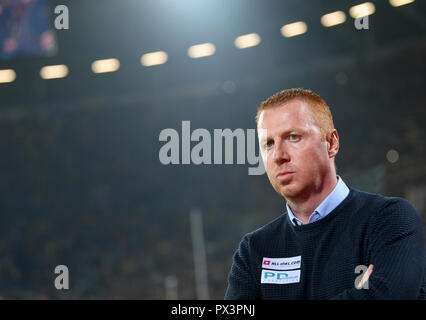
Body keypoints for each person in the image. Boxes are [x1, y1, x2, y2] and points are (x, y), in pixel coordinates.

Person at [224, 88, 426, 299]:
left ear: (331, 143)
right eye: (268, 143)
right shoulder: (254, 250)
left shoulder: (390, 219)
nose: (278, 156)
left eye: (293, 137)